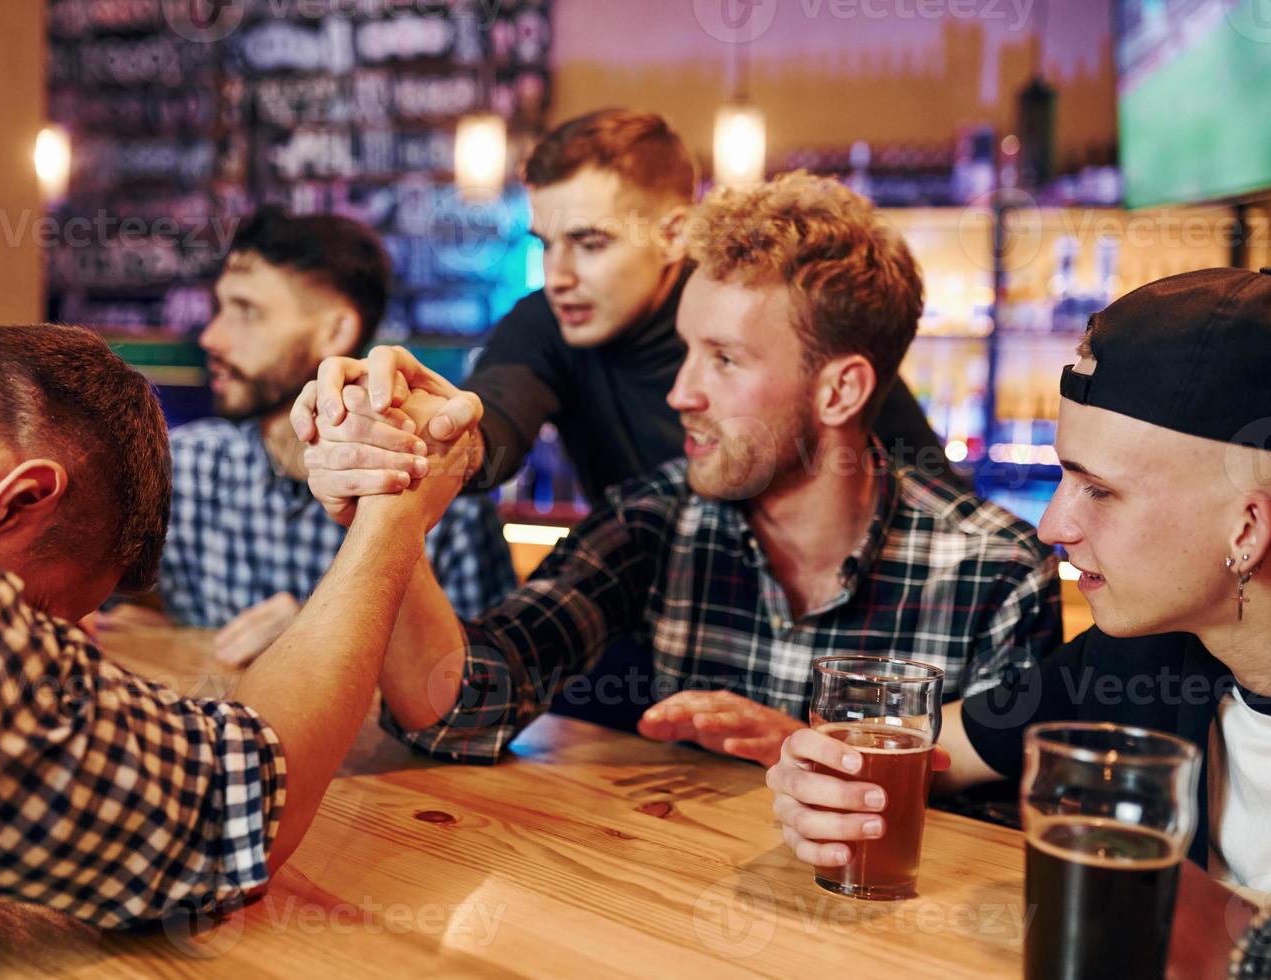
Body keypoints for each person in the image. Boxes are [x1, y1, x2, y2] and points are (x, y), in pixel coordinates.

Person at [299, 172, 1062, 768]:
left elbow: (1012, 840)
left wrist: (823, 756)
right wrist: (389, 499)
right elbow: (462, 708)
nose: (680, 391)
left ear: (841, 390)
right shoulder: (657, 521)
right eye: (688, 348)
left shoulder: (995, 573)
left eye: (724, 359)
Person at [0, 324, 459, 976]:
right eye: (30, 620)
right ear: (17, 503)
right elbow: (228, 807)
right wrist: (397, 505)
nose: (34, 652)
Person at [768, 267, 1271, 892]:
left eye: (1100, 490)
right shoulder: (1138, 657)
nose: (1052, 526)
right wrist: (814, 775)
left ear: (1247, 530)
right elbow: (933, 754)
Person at [297, 109, 956, 514]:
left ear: (672, 233)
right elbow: (490, 425)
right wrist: (414, 429)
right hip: (644, 624)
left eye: (590, 243)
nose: (558, 276)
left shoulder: (764, 310)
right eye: (547, 244)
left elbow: (930, 487)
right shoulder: (546, 322)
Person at [144, 206, 514, 665]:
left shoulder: (436, 495)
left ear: (335, 331)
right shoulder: (187, 468)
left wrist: (321, 642)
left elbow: (481, 695)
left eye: (246, 311)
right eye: (220, 309)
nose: (211, 338)